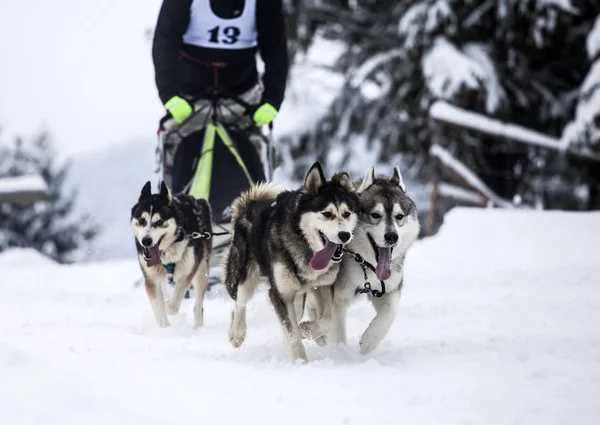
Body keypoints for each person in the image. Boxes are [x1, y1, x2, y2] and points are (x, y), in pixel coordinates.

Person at [151, 0, 289, 128]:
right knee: (174, 145)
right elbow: (164, 44)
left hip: (243, 100)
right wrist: (169, 95)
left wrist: (272, 100)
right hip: (189, 100)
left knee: (253, 150)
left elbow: (276, 51)